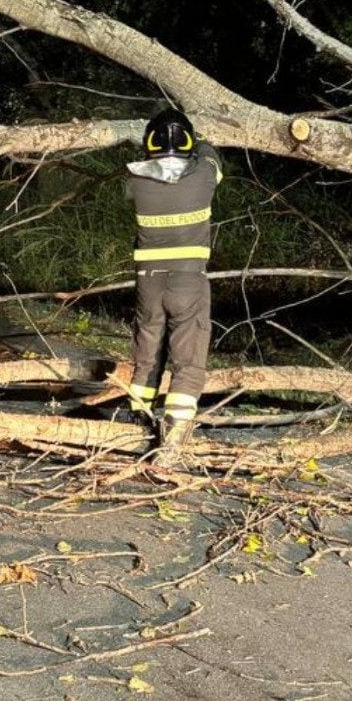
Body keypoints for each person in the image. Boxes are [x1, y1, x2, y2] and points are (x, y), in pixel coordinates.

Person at [124, 107, 222, 466]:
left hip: (148, 282)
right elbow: (209, 153)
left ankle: (137, 419)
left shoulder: (135, 181)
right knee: (188, 359)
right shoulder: (205, 174)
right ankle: (174, 437)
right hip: (188, 280)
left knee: (148, 351)